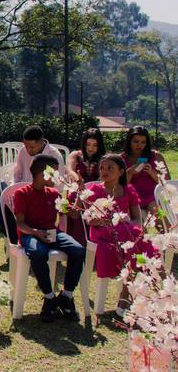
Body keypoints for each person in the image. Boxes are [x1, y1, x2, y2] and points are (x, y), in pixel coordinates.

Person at [13, 155, 85, 322]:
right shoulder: (22, 193)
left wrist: (79, 192)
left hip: (52, 233)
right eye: (55, 172)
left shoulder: (53, 193)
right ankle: (49, 297)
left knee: (78, 250)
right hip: (30, 233)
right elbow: (20, 223)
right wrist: (35, 232)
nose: (58, 176)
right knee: (38, 253)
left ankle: (67, 295)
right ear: (42, 174)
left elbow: (73, 214)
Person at [88, 154, 159, 315]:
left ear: (121, 171)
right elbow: (90, 220)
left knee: (139, 241)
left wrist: (127, 224)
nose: (104, 171)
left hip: (126, 231)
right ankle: (128, 295)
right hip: (102, 232)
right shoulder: (95, 190)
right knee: (136, 244)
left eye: (110, 168)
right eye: (102, 168)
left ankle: (127, 293)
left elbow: (137, 219)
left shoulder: (128, 189)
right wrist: (102, 221)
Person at [65, 128, 107, 245]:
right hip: (77, 187)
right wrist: (78, 179)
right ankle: (77, 242)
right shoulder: (76, 155)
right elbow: (69, 170)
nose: (91, 148)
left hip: (96, 191)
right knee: (74, 197)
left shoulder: (104, 158)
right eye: (88, 144)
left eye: (95, 145)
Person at [122, 125, 170, 217]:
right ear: (129, 141)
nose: (139, 145)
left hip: (153, 196)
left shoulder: (156, 156)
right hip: (132, 197)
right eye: (135, 141)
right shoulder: (122, 159)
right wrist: (129, 173)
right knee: (135, 221)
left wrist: (151, 171)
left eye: (143, 142)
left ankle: (166, 226)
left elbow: (167, 181)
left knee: (160, 216)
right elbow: (120, 186)